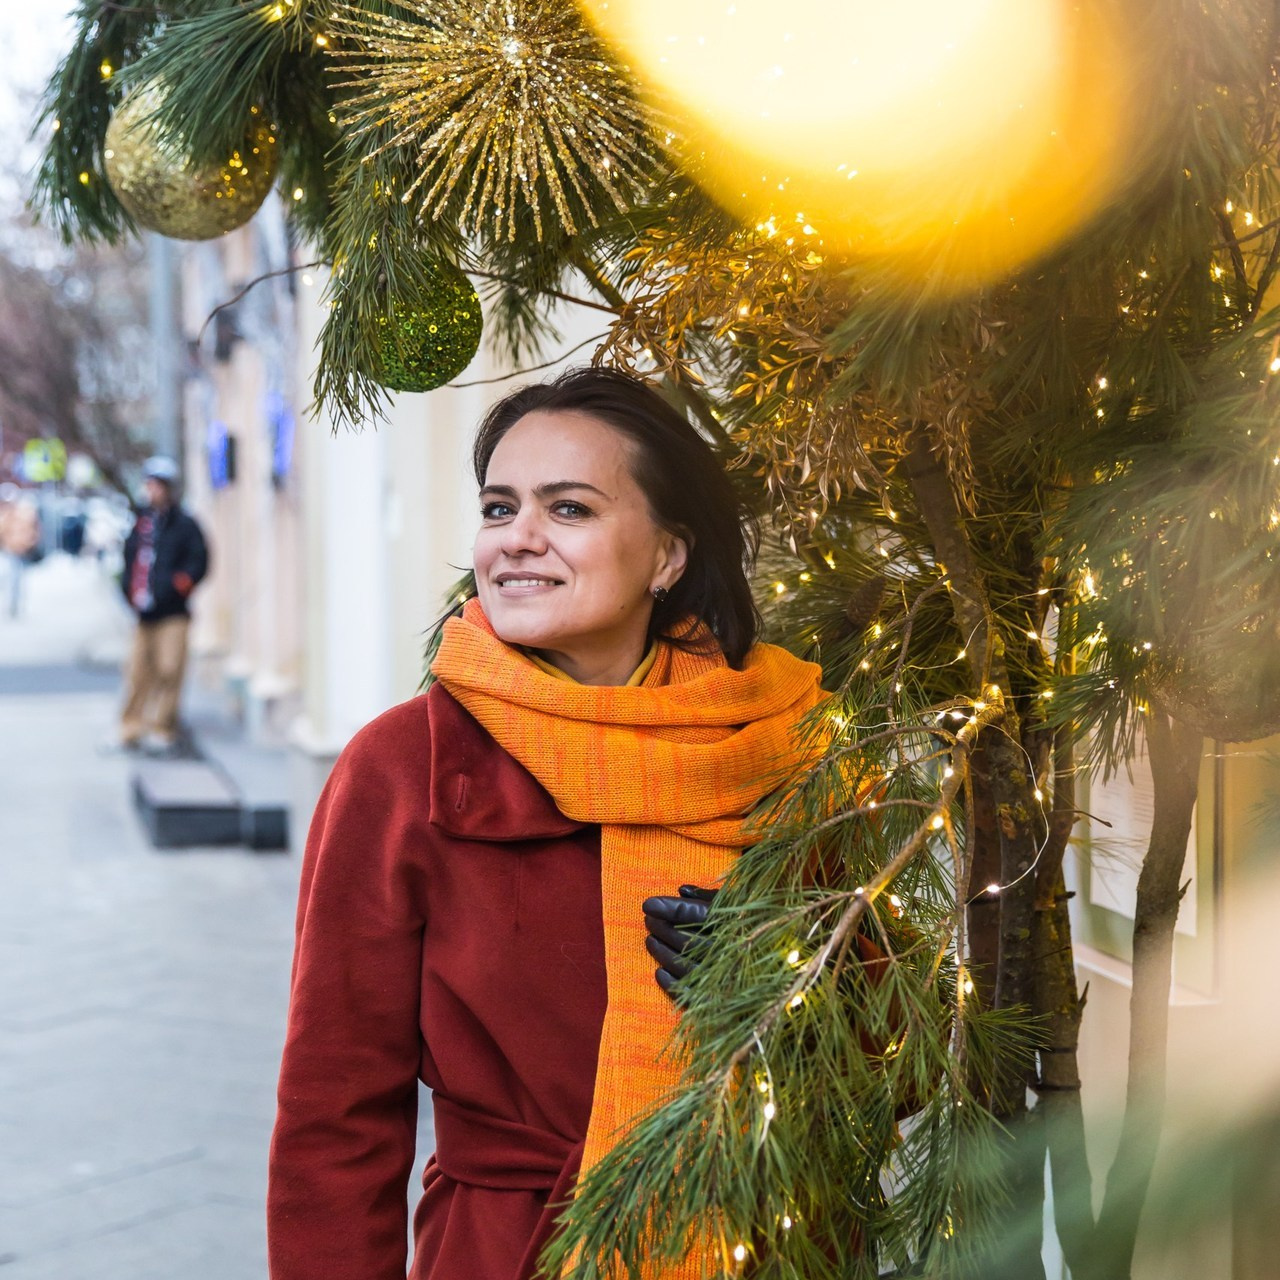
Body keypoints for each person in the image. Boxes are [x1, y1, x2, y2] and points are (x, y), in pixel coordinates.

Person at [266, 368, 827, 1280]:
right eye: (498, 507)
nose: (516, 539)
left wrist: (788, 983)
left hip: (762, 1240)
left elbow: (901, 1063)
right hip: (509, 1254)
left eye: (568, 509)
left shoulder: (774, 744)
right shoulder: (404, 770)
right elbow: (335, 1117)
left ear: (668, 556)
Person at [116, 455, 209, 754]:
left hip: (173, 613)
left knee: (170, 668)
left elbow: (200, 561)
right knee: (137, 671)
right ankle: (130, 728)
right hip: (144, 613)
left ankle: (162, 727)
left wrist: (180, 585)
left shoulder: (185, 525)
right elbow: (129, 562)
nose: (152, 490)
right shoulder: (142, 524)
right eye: (150, 484)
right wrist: (128, 592)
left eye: (158, 485)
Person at [0, 488, 42, 619]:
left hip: (20, 550)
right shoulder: (6, 514)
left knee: (16, 578)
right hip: (10, 549)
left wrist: (29, 543)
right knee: (12, 577)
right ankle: (13, 604)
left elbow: (34, 531)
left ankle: (15, 604)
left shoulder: (24, 513)